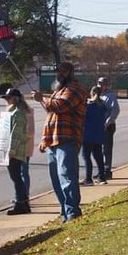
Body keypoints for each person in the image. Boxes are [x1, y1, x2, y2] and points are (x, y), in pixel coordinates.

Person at [32, 62, 87, 223]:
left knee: (67, 177)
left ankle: (73, 213)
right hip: (53, 141)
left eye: (62, 71)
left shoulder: (75, 89)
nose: (58, 74)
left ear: (70, 72)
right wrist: (44, 140)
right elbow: (51, 115)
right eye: (57, 71)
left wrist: (41, 98)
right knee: (57, 180)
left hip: (67, 139)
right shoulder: (58, 91)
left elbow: (60, 106)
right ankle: (65, 212)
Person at [0, 88, 29, 216]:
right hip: (13, 149)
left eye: (8, 98)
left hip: (15, 151)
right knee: (16, 177)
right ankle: (24, 203)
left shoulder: (18, 113)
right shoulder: (11, 112)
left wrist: (11, 151)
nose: (6, 100)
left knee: (16, 177)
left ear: (15, 99)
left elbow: (16, 135)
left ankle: (20, 204)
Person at [81, 85, 107, 186]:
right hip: (98, 134)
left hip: (87, 135)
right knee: (99, 157)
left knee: (87, 157)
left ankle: (88, 178)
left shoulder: (87, 106)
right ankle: (102, 177)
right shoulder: (102, 106)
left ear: (91, 93)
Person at [97, 77, 120, 180]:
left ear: (107, 85)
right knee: (98, 150)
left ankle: (107, 171)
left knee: (106, 150)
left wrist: (107, 122)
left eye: (103, 84)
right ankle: (101, 171)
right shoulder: (97, 95)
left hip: (108, 126)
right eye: (99, 83)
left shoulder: (110, 95)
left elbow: (115, 110)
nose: (101, 85)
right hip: (97, 126)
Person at [21, 98, 35, 207]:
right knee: (19, 173)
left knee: (23, 172)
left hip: (23, 147)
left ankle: (25, 197)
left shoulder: (27, 112)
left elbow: (30, 131)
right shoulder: (12, 111)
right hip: (16, 147)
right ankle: (21, 196)